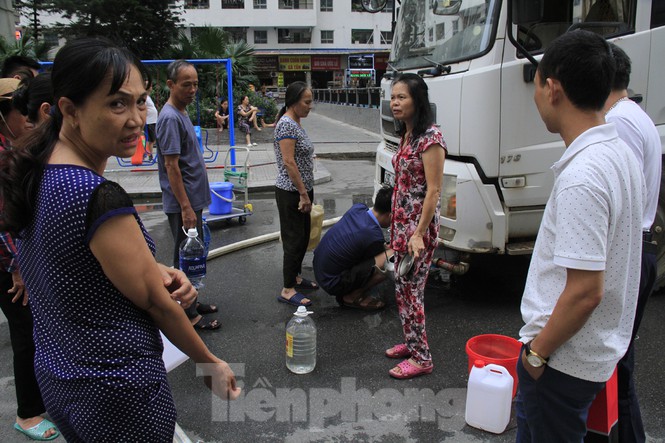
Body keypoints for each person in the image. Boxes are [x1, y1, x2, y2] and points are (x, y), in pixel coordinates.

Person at [0, 37, 240, 442]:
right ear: (69, 110)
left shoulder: (38, 171)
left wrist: (156, 268)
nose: (135, 118)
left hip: (60, 380)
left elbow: (71, 261)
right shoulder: (96, 194)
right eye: (116, 103)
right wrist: (209, 362)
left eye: (140, 101)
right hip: (118, 392)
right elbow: (154, 302)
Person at [516, 30, 645, 442]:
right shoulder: (619, 151)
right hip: (589, 355)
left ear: (552, 88)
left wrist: (536, 354)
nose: (535, 98)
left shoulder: (583, 176)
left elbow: (586, 291)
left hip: (561, 361)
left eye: (536, 87)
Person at [605, 43, 661, 443]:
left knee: (616, 368)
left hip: (628, 252)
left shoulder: (619, 122)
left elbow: (617, 198)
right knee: (619, 367)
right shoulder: (635, 114)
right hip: (640, 249)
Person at [0, 77, 59, 441]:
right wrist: (18, 267)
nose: (26, 120)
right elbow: (5, 219)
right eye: (20, 112)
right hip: (6, 265)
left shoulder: (12, 146)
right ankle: (27, 413)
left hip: (15, 261)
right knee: (24, 333)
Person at [384, 73, 446, 380]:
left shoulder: (430, 138)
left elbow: (434, 190)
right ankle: (411, 343)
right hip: (400, 228)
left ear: (417, 100)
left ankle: (422, 358)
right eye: (393, 97)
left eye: (402, 97)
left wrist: (419, 233)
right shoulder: (406, 135)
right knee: (401, 288)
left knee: (413, 293)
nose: (395, 103)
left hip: (418, 233)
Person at [156, 60, 220, 331]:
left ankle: (192, 302)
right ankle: (187, 315)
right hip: (184, 204)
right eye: (186, 85)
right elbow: (171, 166)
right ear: (171, 85)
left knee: (193, 257)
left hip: (192, 201)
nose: (193, 89)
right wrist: (185, 206)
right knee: (184, 258)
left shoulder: (181, 111)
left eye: (195, 84)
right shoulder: (170, 117)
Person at [274, 81, 319, 307]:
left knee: (303, 237)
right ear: (293, 102)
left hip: (303, 189)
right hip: (291, 191)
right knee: (294, 239)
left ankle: (296, 277)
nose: (310, 106)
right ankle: (288, 289)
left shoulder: (296, 122)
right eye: (307, 102)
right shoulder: (286, 125)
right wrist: (303, 194)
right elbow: (289, 162)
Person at [313, 186, 393, 311]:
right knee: (389, 260)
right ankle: (352, 296)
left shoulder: (359, 208)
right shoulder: (373, 235)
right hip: (333, 282)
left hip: (320, 269)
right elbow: (381, 256)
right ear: (390, 216)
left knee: (381, 253)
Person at [144, 80, 158, 161]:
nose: (151, 87)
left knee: (152, 139)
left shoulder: (147, 96)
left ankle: (147, 153)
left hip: (152, 120)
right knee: (151, 140)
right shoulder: (145, 97)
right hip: (149, 121)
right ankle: (150, 156)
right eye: (150, 86)